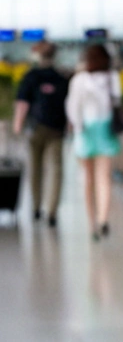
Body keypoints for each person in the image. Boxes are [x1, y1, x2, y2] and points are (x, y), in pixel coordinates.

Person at [65, 43, 122, 241]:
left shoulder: (80, 80)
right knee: (103, 177)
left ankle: (92, 224)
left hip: (86, 130)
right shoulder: (112, 78)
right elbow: (117, 101)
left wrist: (77, 127)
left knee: (87, 179)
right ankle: (103, 218)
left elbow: (73, 106)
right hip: (105, 128)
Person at [12, 41, 69, 227]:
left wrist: (17, 125)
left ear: (38, 56)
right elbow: (68, 106)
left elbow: (22, 103)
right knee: (56, 169)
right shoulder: (61, 78)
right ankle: (52, 211)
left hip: (35, 128)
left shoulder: (31, 76)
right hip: (56, 129)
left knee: (35, 168)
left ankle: (36, 207)